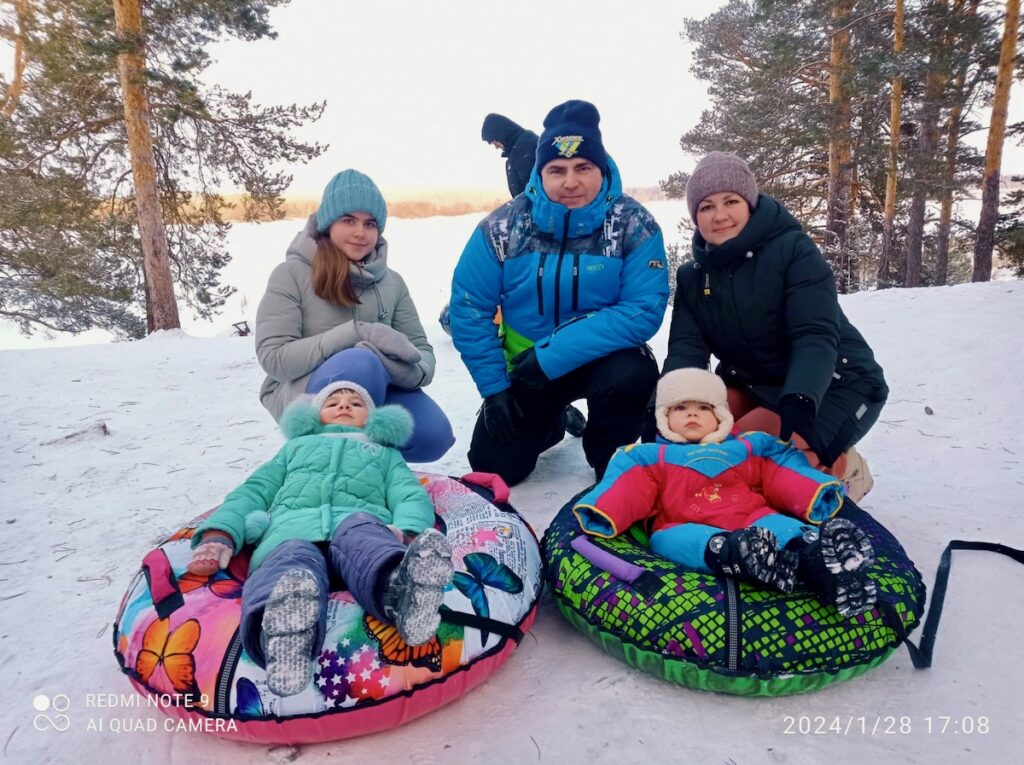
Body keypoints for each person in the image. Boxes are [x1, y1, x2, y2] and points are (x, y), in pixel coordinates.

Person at [187, 381, 454, 697]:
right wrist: (220, 533)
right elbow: (254, 491)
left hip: (356, 532)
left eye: (356, 403)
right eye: (334, 402)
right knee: (290, 561)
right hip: (291, 533)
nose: (344, 406)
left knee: (364, 534)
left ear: (372, 418)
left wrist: (407, 532)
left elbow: (408, 494)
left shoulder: (385, 454)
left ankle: (403, 593)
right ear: (316, 415)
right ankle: (279, 640)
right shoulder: (293, 450)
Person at [450, 99, 669, 486]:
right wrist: (495, 388)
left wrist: (553, 355)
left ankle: (609, 456)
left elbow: (643, 309)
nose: (571, 181)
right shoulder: (504, 226)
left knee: (632, 375)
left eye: (583, 168)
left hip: (604, 361)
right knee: (493, 467)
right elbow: (469, 308)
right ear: (540, 173)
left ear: (601, 169)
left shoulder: (632, 223)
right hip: (527, 366)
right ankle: (550, 424)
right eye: (558, 170)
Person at [661, 152, 888, 501]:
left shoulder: (793, 251)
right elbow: (685, 351)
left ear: (749, 204)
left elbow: (814, 334)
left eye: (731, 201)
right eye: (706, 207)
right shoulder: (693, 276)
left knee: (751, 460)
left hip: (834, 383)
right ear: (695, 216)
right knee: (695, 442)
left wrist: (800, 398)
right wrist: (663, 407)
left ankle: (844, 469)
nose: (719, 215)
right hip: (753, 382)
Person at [574, 368, 877, 618]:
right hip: (683, 522)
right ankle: (733, 554)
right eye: (681, 408)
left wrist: (814, 492)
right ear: (664, 417)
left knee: (779, 526)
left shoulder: (748, 445)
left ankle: (819, 559)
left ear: (720, 416)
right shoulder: (650, 455)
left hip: (752, 516)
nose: (692, 415)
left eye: (703, 408)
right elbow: (629, 483)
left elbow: (780, 467)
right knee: (666, 539)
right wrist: (602, 511)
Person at [255, 169, 454, 463]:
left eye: (370, 223)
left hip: (376, 385)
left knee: (432, 435)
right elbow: (274, 358)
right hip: (301, 391)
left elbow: (422, 357)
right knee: (359, 361)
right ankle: (327, 470)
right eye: (349, 220)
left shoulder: (392, 282)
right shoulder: (291, 275)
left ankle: (371, 468)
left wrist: (385, 364)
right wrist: (355, 334)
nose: (360, 232)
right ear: (328, 224)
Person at [481, 113, 539, 198]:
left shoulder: (525, 146)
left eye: (495, 142)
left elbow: (533, 187)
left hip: (542, 208)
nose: (496, 147)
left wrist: (537, 207)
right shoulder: (515, 151)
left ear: (501, 134)